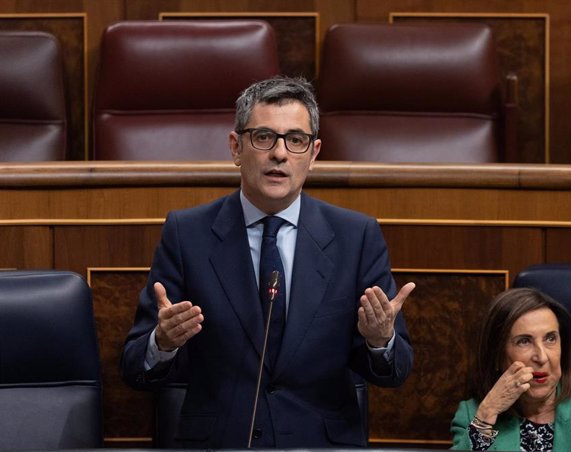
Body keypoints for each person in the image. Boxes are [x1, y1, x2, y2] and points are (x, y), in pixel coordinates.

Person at [120, 76, 415, 448]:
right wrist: (162, 342)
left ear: (314, 152)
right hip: (220, 442)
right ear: (236, 147)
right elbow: (134, 367)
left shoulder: (355, 237)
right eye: (264, 137)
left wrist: (380, 340)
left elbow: (397, 371)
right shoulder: (187, 233)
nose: (280, 154)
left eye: (296, 140)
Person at [451, 287, 571, 452]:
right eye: (524, 341)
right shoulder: (474, 414)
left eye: (550, 338)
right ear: (497, 355)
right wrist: (487, 414)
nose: (542, 357)